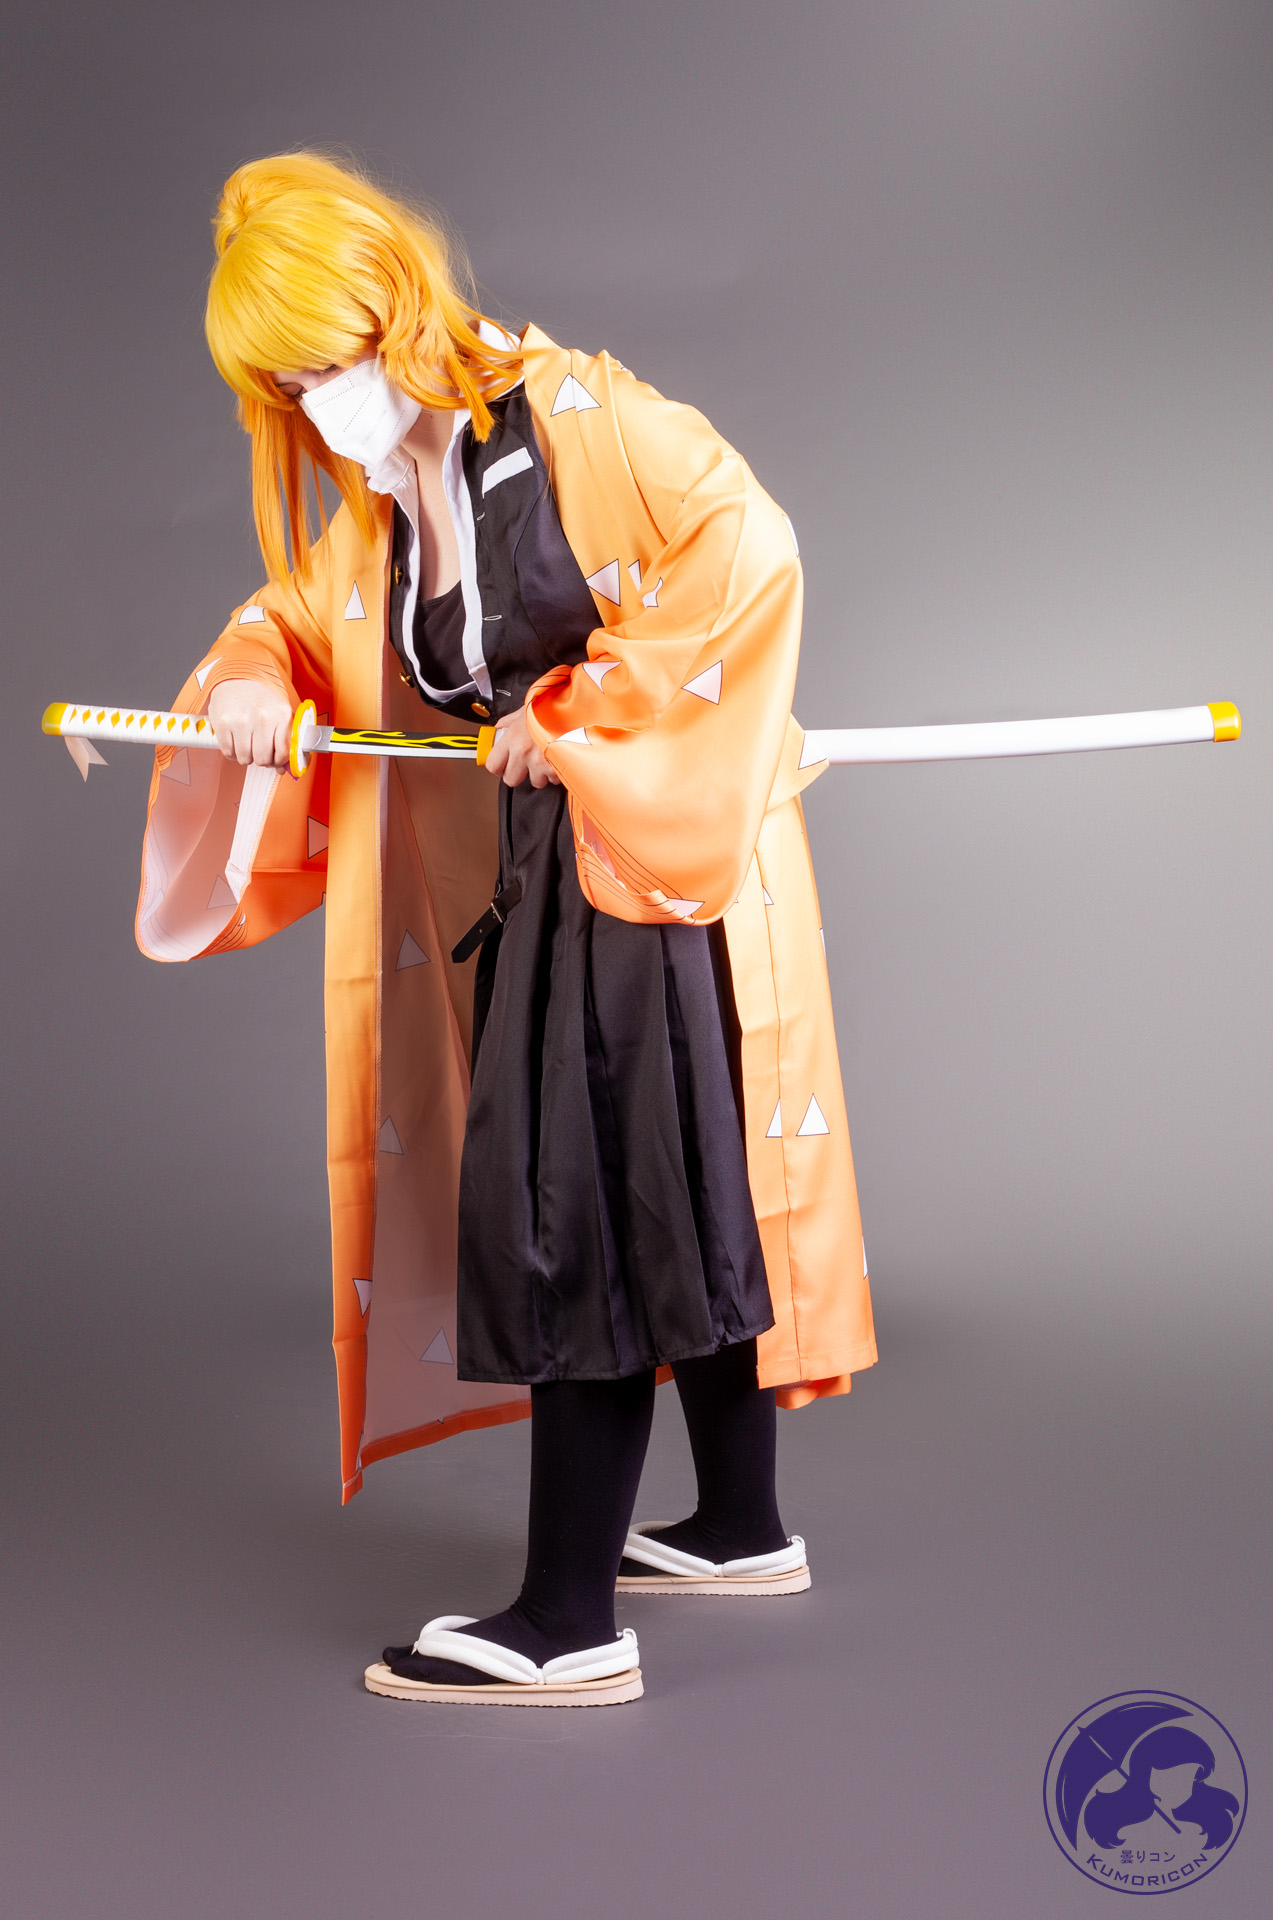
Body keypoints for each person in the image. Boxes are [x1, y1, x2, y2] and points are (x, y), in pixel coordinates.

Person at [137, 151, 877, 1706]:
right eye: (284, 385)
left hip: (647, 870)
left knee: (580, 1205)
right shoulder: (384, 506)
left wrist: (589, 711)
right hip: (557, 882)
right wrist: (254, 682)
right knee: (676, 1191)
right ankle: (737, 1529)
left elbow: (747, 549)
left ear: (393, 312)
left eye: (323, 364)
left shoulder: (582, 420)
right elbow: (297, 622)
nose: (313, 403)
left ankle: (565, 1620)